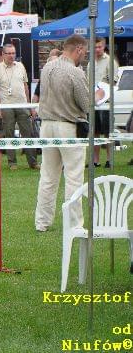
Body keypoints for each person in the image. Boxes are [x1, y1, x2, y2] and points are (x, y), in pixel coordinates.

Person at [34, 34, 91, 232]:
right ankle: (74, 224)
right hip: (68, 126)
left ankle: (42, 222)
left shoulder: (47, 67)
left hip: (47, 125)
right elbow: (85, 104)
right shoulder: (75, 72)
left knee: (48, 176)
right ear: (79, 50)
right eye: (84, 51)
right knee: (74, 177)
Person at [0, 44, 39, 170]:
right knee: (9, 134)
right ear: (3, 54)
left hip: (22, 104)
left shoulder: (21, 66)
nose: (12, 55)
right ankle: (12, 162)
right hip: (7, 106)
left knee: (28, 133)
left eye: (13, 53)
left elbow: (25, 87)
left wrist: (30, 106)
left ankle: (33, 162)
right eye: (9, 53)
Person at [87, 37, 119, 168]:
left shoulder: (110, 61)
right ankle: (95, 161)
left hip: (106, 102)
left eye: (99, 47)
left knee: (108, 132)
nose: (97, 49)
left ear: (104, 46)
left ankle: (109, 160)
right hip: (93, 102)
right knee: (94, 131)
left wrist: (102, 89)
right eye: (94, 47)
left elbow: (114, 81)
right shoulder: (90, 63)